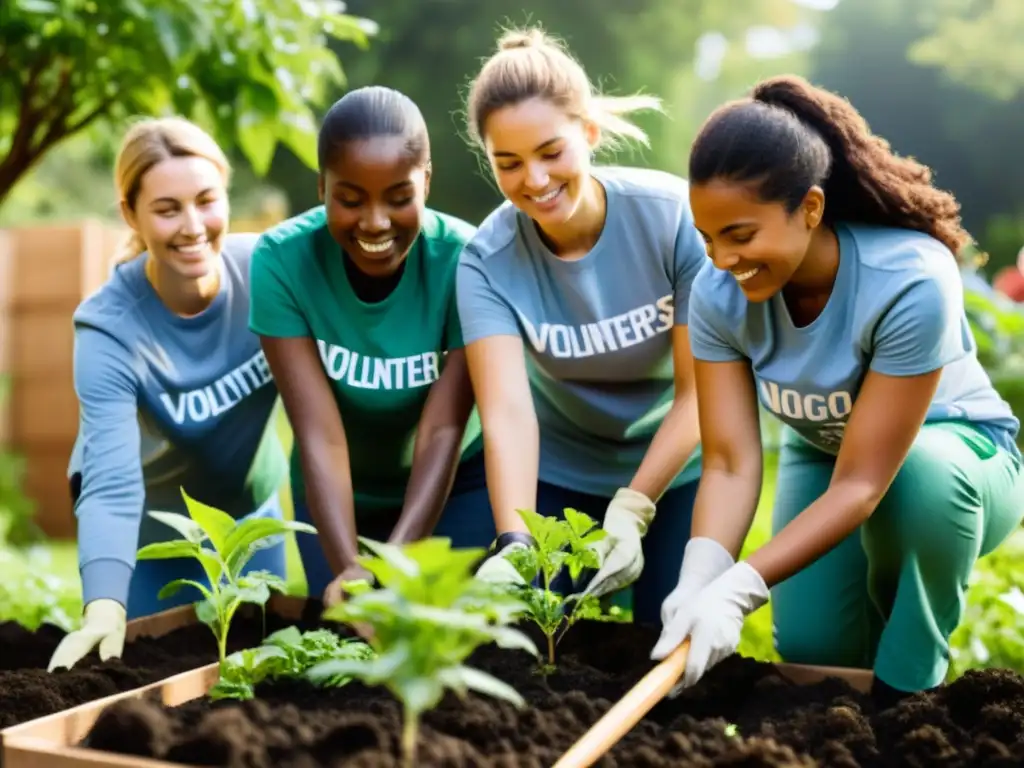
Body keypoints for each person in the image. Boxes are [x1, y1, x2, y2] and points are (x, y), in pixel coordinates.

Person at [650, 75, 1024, 708]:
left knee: (922, 486)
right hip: (825, 456)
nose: (721, 260)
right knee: (815, 650)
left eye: (741, 235)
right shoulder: (717, 296)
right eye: (708, 238)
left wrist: (741, 589)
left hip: (959, 461)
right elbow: (730, 460)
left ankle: (912, 698)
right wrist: (702, 577)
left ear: (812, 209)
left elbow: (864, 483)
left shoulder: (908, 280)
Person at [457, 27, 705, 627]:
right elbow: (508, 415)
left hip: (671, 471)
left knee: (667, 632)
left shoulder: (673, 220)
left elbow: (703, 395)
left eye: (551, 152)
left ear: (588, 134)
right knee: (513, 633)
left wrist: (635, 507)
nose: (535, 181)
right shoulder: (486, 261)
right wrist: (516, 540)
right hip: (556, 473)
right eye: (508, 163)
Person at [49, 117, 291, 672]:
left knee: (260, 675)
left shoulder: (268, 273)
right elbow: (109, 484)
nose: (192, 226)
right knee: (159, 681)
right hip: (152, 540)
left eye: (207, 200)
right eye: (166, 209)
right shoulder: (109, 328)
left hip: (250, 523)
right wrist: (104, 607)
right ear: (131, 214)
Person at [249, 86, 493, 607]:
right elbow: (317, 432)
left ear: (427, 182)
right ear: (322, 188)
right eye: (351, 198)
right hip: (336, 490)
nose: (376, 222)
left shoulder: (467, 261)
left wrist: (395, 563)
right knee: (350, 652)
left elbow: (443, 427)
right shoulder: (281, 262)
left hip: (455, 485)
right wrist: (353, 570)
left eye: (399, 198)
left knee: (451, 642)